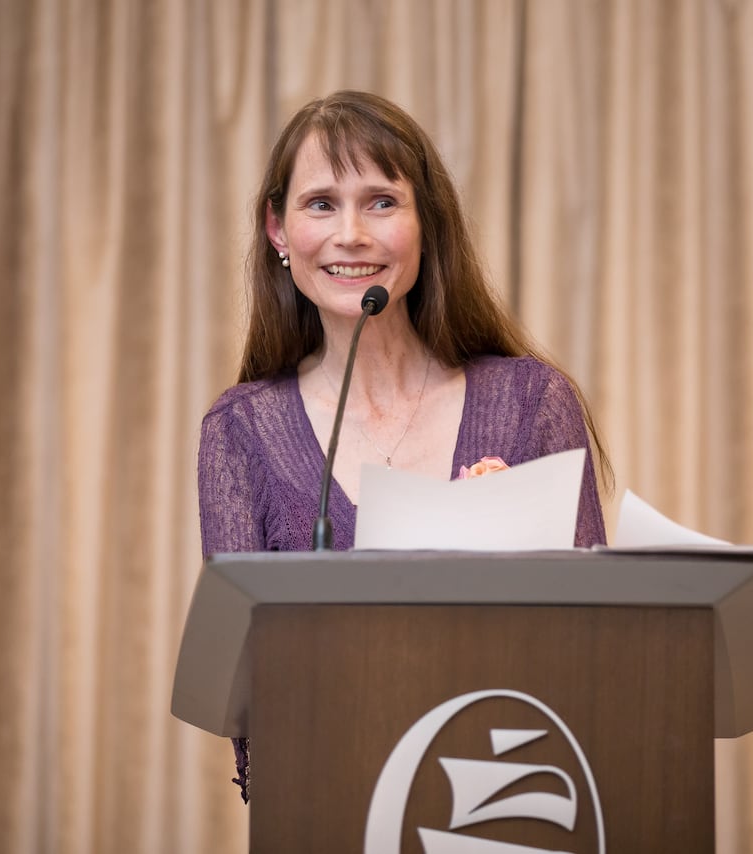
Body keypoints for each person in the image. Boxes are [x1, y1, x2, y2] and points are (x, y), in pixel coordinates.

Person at [197, 90, 610, 802]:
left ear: (426, 224)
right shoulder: (240, 431)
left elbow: (603, 648)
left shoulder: (532, 403)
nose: (350, 234)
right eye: (321, 203)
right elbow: (250, 703)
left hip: (516, 801)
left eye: (382, 202)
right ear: (277, 230)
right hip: (329, 809)